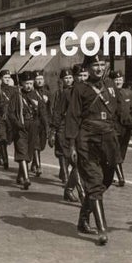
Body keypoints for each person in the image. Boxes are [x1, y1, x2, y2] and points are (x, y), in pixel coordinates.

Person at [66, 54, 121, 245]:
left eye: (102, 64)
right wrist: (72, 145)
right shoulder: (79, 89)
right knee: (95, 184)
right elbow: (73, 117)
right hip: (87, 139)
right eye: (94, 65)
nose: (99, 68)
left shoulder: (111, 86)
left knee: (105, 181)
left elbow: (121, 110)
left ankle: (83, 219)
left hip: (108, 140)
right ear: (87, 68)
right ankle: (102, 229)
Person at [8, 71, 48, 190]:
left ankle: (20, 176)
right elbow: (10, 112)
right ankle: (26, 179)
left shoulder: (36, 95)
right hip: (21, 127)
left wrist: (47, 127)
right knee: (22, 151)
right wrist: (17, 123)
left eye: (31, 83)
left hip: (34, 127)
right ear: (21, 83)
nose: (29, 86)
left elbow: (43, 112)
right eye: (26, 83)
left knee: (29, 153)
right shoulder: (17, 95)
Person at [49, 68, 80, 202]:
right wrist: (53, 131)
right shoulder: (61, 93)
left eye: (70, 77)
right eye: (65, 78)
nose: (68, 80)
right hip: (63, 127)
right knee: (64, 154)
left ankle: (67, 180)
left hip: (78, 129)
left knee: (75, 160)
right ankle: (67, 180)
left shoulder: (81, 91)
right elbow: (56, 111)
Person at [113, 70, 132, 186]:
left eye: (120, 80)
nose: (118, 81)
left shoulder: (127, 93)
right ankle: (121, 178)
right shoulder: (110, 94)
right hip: (114, 127)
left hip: (126, 129)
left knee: (121, 152)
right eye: (116, 80)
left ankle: (109, 173)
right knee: (115, 152)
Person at [0, 69, 16, 169]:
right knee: (2, 137)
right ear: (0, 79)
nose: (7, 80)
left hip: (10, 118)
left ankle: (1, 155)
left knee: (8, 138)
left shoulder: (13, 90)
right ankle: (5, 160)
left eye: (8, 78)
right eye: (5, 78)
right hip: (1, 117)